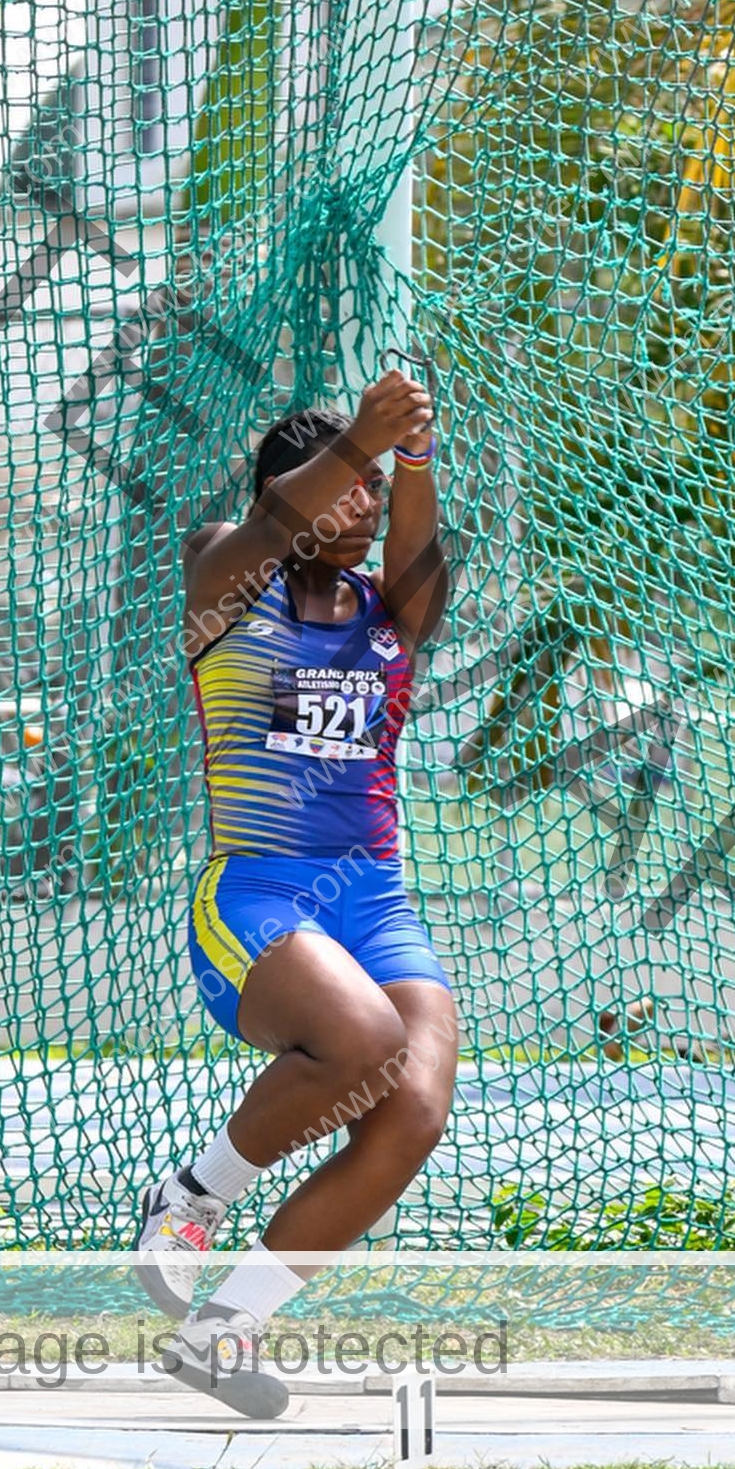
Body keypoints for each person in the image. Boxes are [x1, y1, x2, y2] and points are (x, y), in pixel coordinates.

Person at [135, 368, 456, 1415]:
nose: (362, 506)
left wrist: (406, 452)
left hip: (374, 897)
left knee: (412, 1105)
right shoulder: (227, 586)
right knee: (364, 1040)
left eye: (375, 491)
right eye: (346, 489)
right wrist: (358, 445)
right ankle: (189, 1200)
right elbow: (251, 535)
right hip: (257, 901)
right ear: (302, 491)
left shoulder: (388, 612)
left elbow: (419, 566)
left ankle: (225, 1331)